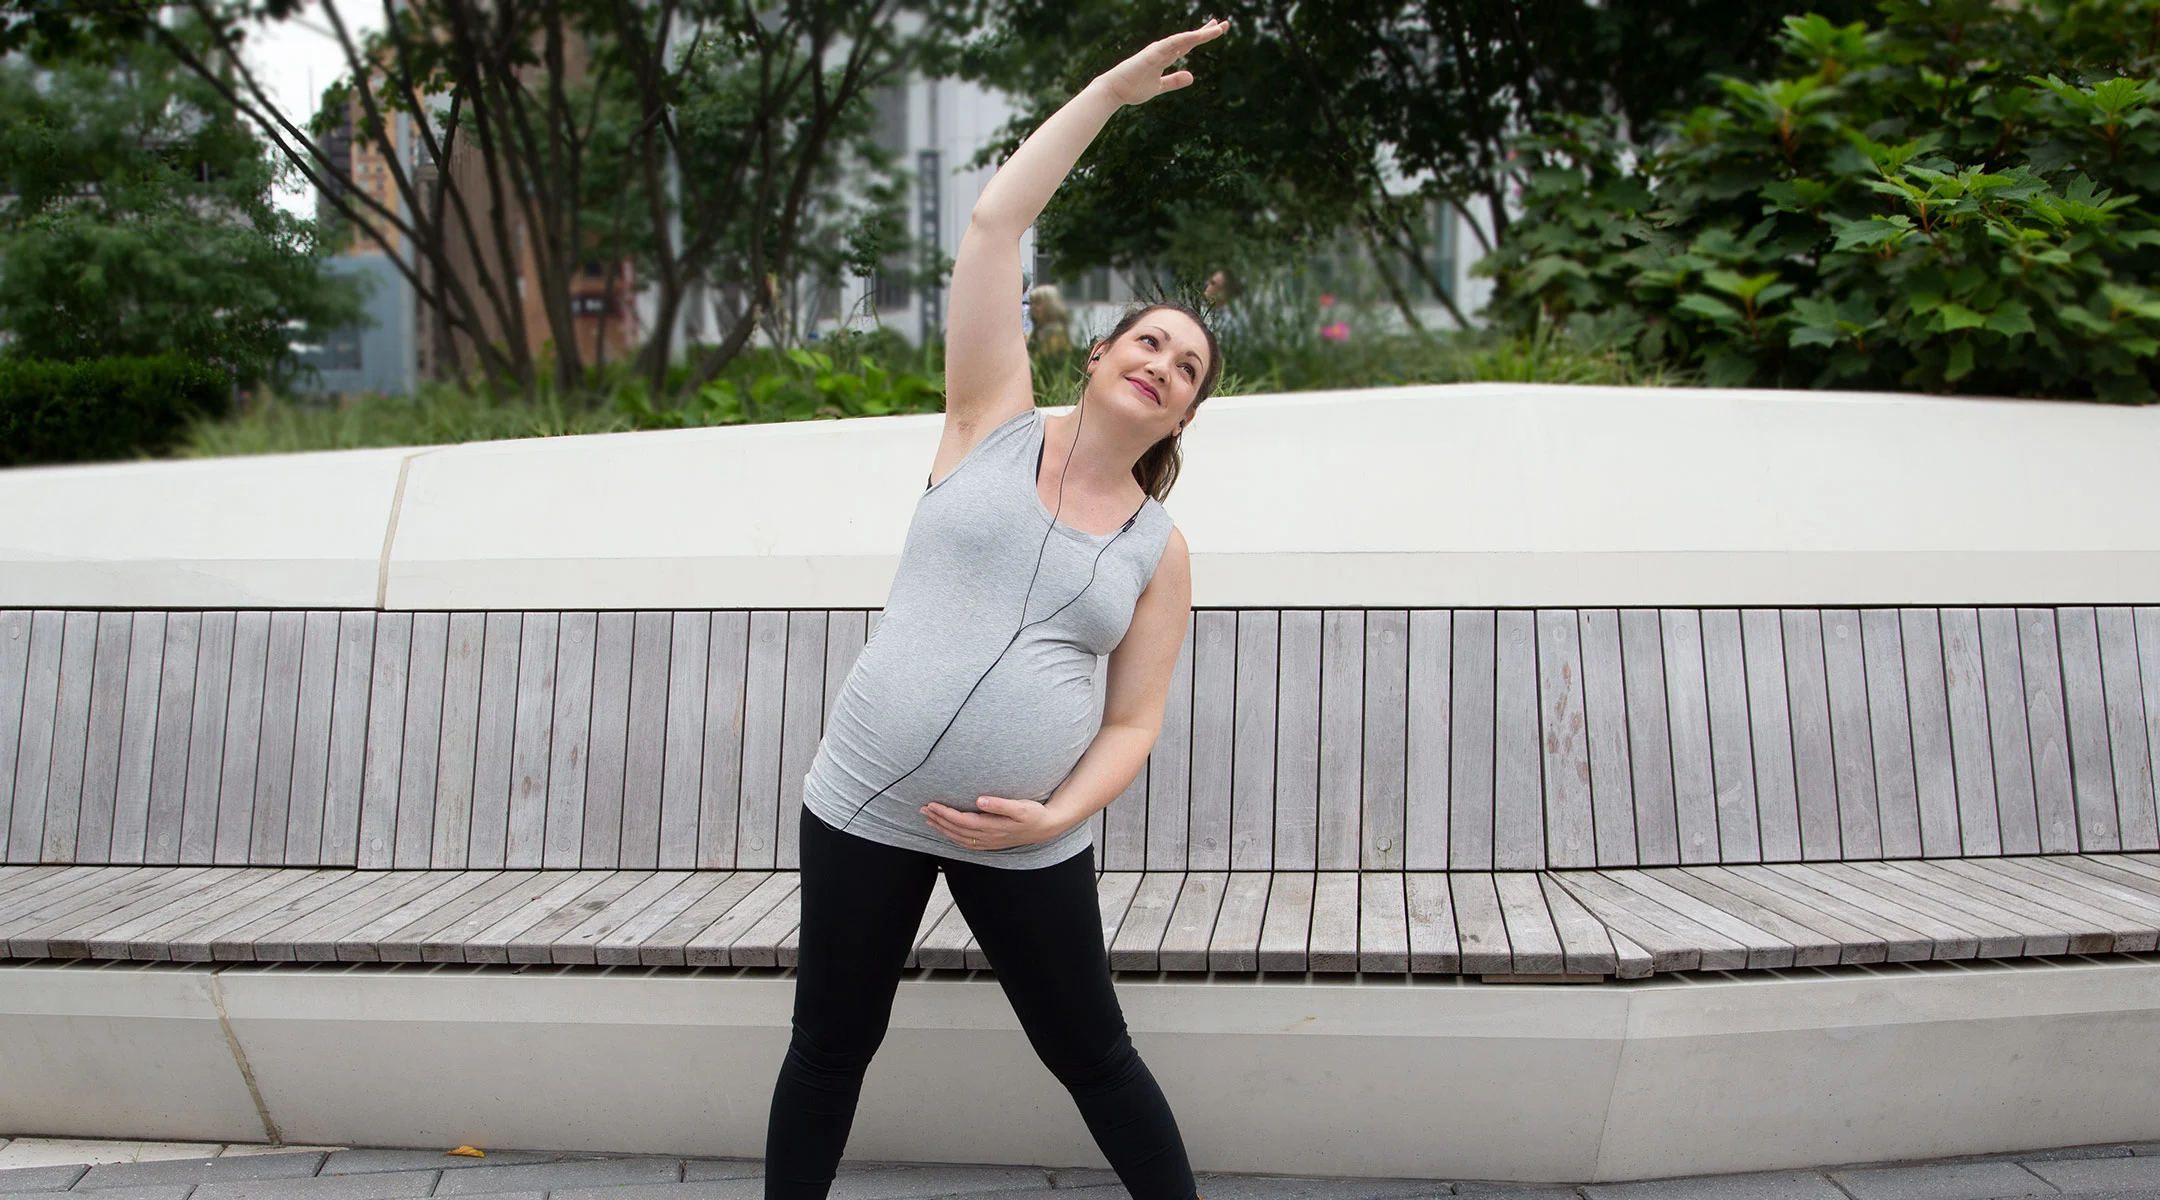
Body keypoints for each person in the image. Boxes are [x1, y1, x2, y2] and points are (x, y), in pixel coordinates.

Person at [763, 18, 1231, 1200]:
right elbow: (993, 225)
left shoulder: (1157, 547)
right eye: (1151, 340)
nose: (1164, 364)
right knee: (831, 1045)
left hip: (1029, 830)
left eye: (1186, 371)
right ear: (1096, 353)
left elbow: (1133, 723)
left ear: (1180, 418)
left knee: (1093, 1054)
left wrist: (1052, 816)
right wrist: (1111, 97)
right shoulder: (987, 416)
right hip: (864, 801)